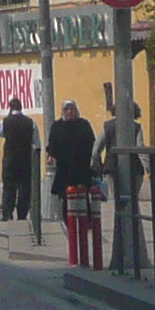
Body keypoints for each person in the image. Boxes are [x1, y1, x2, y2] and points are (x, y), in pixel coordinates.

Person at [46, 100, 99, 266]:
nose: (70, 112)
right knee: (65, 197)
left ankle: (87, 222)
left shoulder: (83, 125)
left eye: (72, 109)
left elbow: (92, 143)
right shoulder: (57, 126)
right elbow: (52, 144)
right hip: (64, 169)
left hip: (82, 167)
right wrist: (51, 156)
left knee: (84, 197)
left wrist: (94, 162)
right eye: (67, 109)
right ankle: (69, 224)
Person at [0, 101, 39, 223]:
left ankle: (7, 213)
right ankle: (22, 214)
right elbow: (36, 142)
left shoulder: (5, 121)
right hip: (25, 159)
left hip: (9, 160)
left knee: (8, 187)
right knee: (25, 188)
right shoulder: (30, 122)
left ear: (10, 108)